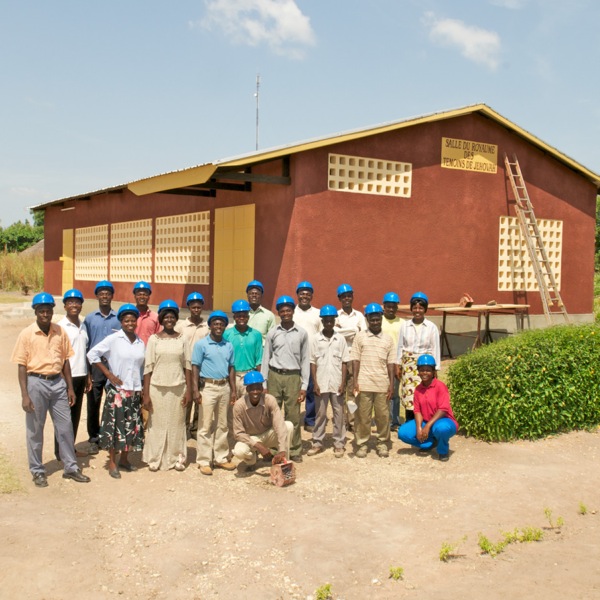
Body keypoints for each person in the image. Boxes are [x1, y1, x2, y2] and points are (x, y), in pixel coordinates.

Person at [11, 292, 90, 487]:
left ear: (52, 311)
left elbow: (65, 362)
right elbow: (21, 366)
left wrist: (70, 388)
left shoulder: (59, 331)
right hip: (36, 383)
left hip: (58, 384)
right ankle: (37, 470)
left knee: (65, 428)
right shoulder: (27, 334)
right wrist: (25, 395)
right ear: (36, 312)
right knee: (35, 430)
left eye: (48, 311)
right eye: (41, 311)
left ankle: (70, 468)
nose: (45, 314)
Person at [87, 303, 145, 479]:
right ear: (121, 322)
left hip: (134, 391)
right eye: (126, 320)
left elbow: (141, 367)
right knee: (114, 427)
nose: (130, 323)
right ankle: (112, 461)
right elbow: (92, 354)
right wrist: (108, 374)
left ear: (136, 322)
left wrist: (141, 388)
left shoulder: (141, 342)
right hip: (118, 392)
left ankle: (125, 460)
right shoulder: (113, 339)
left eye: (133, 320)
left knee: (130, 426)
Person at [142, 300, 191, 471]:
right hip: (157, 388)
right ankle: (155, 458)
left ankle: (177, 458)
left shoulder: (182, 339)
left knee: (177, 424)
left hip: (178, 388)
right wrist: (146, 394)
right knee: (157, 423)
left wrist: (189, 391)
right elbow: (148, 368)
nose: (169, 320)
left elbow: (188, 366)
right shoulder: (154, 340)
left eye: (172, 317)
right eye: (166, 317)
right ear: (161, 320)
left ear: (176, 319)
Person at [261, 295, 310, 463]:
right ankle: (274, 447)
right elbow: (266, 358)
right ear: (278, 313)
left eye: (288, 310)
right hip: (274, 375)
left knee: (293, 415)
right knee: (272, 414)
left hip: (293, 377)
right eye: (282, 311)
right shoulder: (272, 333)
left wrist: (304, 386)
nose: (286, 313)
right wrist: (264, 382)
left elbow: (305, 360)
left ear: (293, 311)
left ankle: (295, 449)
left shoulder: (302, 333)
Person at [191, 310, 237, 476]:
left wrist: (233, 390)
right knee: (205, 425)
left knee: (222, 424)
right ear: (210, 326)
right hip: (208, 388)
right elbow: (195, 367)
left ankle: (221, 457)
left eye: (222, 324)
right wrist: (196, 390)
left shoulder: (228, 345)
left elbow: (232, 368)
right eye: (215, 324)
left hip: (224, 387)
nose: (218, 326)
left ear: (225, 326)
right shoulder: (201, 345)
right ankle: (204, 460)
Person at [351, 303, 395, 458]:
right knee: (363, 416)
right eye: (372, 319)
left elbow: (391, 364)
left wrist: (391, 384)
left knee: (383, 416)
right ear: (367, 318)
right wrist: (355, 381)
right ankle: (362, 443)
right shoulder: (360, 337)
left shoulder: (388, 340)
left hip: (382, 384)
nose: (375, 322)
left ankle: (382, 443)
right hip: (364, 383)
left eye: (378, 319)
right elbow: (355, 360)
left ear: (381, 318)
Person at [84, 280, 121, 455]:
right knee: (94, 402)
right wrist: (88, 373)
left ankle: (111, 436)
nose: (105, 296)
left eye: (108, 293)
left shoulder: (119, 319)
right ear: (97, 296)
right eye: (101, 293)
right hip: (96, 366)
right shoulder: (90, 319)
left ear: (112, 296)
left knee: (114, 402)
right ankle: (94, 438)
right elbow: (86, 346)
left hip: (113, 366)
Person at [308, 304, 350, 458]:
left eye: (331, 320)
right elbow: (312, 362)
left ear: (334, 320)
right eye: (326, 320)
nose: (328, 322)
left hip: (337, 382)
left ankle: (339, 443)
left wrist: (343, 383)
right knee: (320, 414)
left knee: (339, 413)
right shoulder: (315, 339)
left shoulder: (340, 339)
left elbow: (345, 362)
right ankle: (317, 442)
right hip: (321, 382)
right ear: (322, 321)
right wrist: (315, 383)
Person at [398, 354, 458, 461]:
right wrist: (419, 428)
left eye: (428, 370)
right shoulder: (418, 389)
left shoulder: (440, 386)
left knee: (441, 429)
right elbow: (417, 411)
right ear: (418, 371)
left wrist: (427, 426)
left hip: (444, 421)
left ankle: (443, 451)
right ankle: (430, 442)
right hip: (426, 421)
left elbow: (443, 409)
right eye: (422, 370)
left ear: (433, 372)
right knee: (403, 432)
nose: (425, 373)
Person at [232, 371, 294, 471]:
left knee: (288, 426)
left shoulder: (270, 400)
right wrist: (258, 446)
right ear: (247, 389)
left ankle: (283, 460)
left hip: (268, 434)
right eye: (252, 388)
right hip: (251, 438)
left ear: (262, 388)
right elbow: (238, 433)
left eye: (258, 388)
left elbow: (279, 424)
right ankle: (251, 461)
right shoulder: (239, 405)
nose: (255, 392)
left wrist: (282, 449)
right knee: (239, 451)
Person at [55, 289, 91, 461]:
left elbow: (85, 352)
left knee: (75, 415)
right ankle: (60, 452)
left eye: (77, 302)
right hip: (66, 377)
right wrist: (64, 379)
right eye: (70, 302)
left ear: (81, 305)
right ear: (65, 306)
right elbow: (59, 354)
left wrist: (88, 376)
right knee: (64, 416)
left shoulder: (83, 325)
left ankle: (71, 449)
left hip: (81, 375)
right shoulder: (61, 327)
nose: (74, 305)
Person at [396, 292, 441, 421]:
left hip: (425, 366)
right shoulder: (405, 326)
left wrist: (435, 369)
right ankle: (411, 423)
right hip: (408, 366)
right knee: (409, 396)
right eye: (415, 308)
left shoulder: (431, 327)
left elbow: (435, 348)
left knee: (424, 394)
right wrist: (398, 365)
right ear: (411, 309)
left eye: (420, 308)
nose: (417, 311)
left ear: (425, 309)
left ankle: (425, 421)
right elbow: (400, 346)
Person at [174, 292, 209, 440]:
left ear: (202, 307)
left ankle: (195, 428)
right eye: (193, 307)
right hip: (185, 368)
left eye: (198, 307)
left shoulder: (207, 326)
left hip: (202, 368)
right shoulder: (181, 326)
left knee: (199, 398)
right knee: (186, 398)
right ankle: (184, 428)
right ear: (188, 307)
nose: (196, 309)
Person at [335, 283, 367, 431]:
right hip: (339, 358)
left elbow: (362, 334)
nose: (347, 298)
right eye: (343, 296)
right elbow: (334, 333)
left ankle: (352, 422)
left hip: (355, 358)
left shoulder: (359, 315)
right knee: (339, 391)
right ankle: (340, 421)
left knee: (353, 392)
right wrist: (353, 329)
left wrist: (345, 330)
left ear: (352, 297)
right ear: (339, 298)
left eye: (349, 295)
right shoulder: (335, 314)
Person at [293, 281, 321, 433]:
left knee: (311, 389)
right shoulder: (292, 312)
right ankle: (292, 419)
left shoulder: (317, 313)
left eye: (307, 293)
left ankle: (310, 419)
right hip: (293, 359)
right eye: (302, 293)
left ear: (311, 296)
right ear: (297, 295)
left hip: (311, 359)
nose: (304, 296)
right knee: (292, 391)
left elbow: (322, 334)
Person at [381, 292, 404, 431]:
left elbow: (402, 345)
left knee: (394, 393)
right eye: (388, 306)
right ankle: (383, 420)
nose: (390, 309)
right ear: (384, 306)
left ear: (396, 307)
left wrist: (398, 364)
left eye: (393, 306)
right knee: (381, 393)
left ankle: (395, 421)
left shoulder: (402, 323)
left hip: (395, 363)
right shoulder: (378, 320)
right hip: (380, 362)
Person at [133, 281, 161, 345]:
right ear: (135, 296)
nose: (142, 297)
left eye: (145, 295)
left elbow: (159, 337)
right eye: (139, 294)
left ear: (148, 297)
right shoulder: (130, 315)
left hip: (149, 352)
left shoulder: (155, 317)